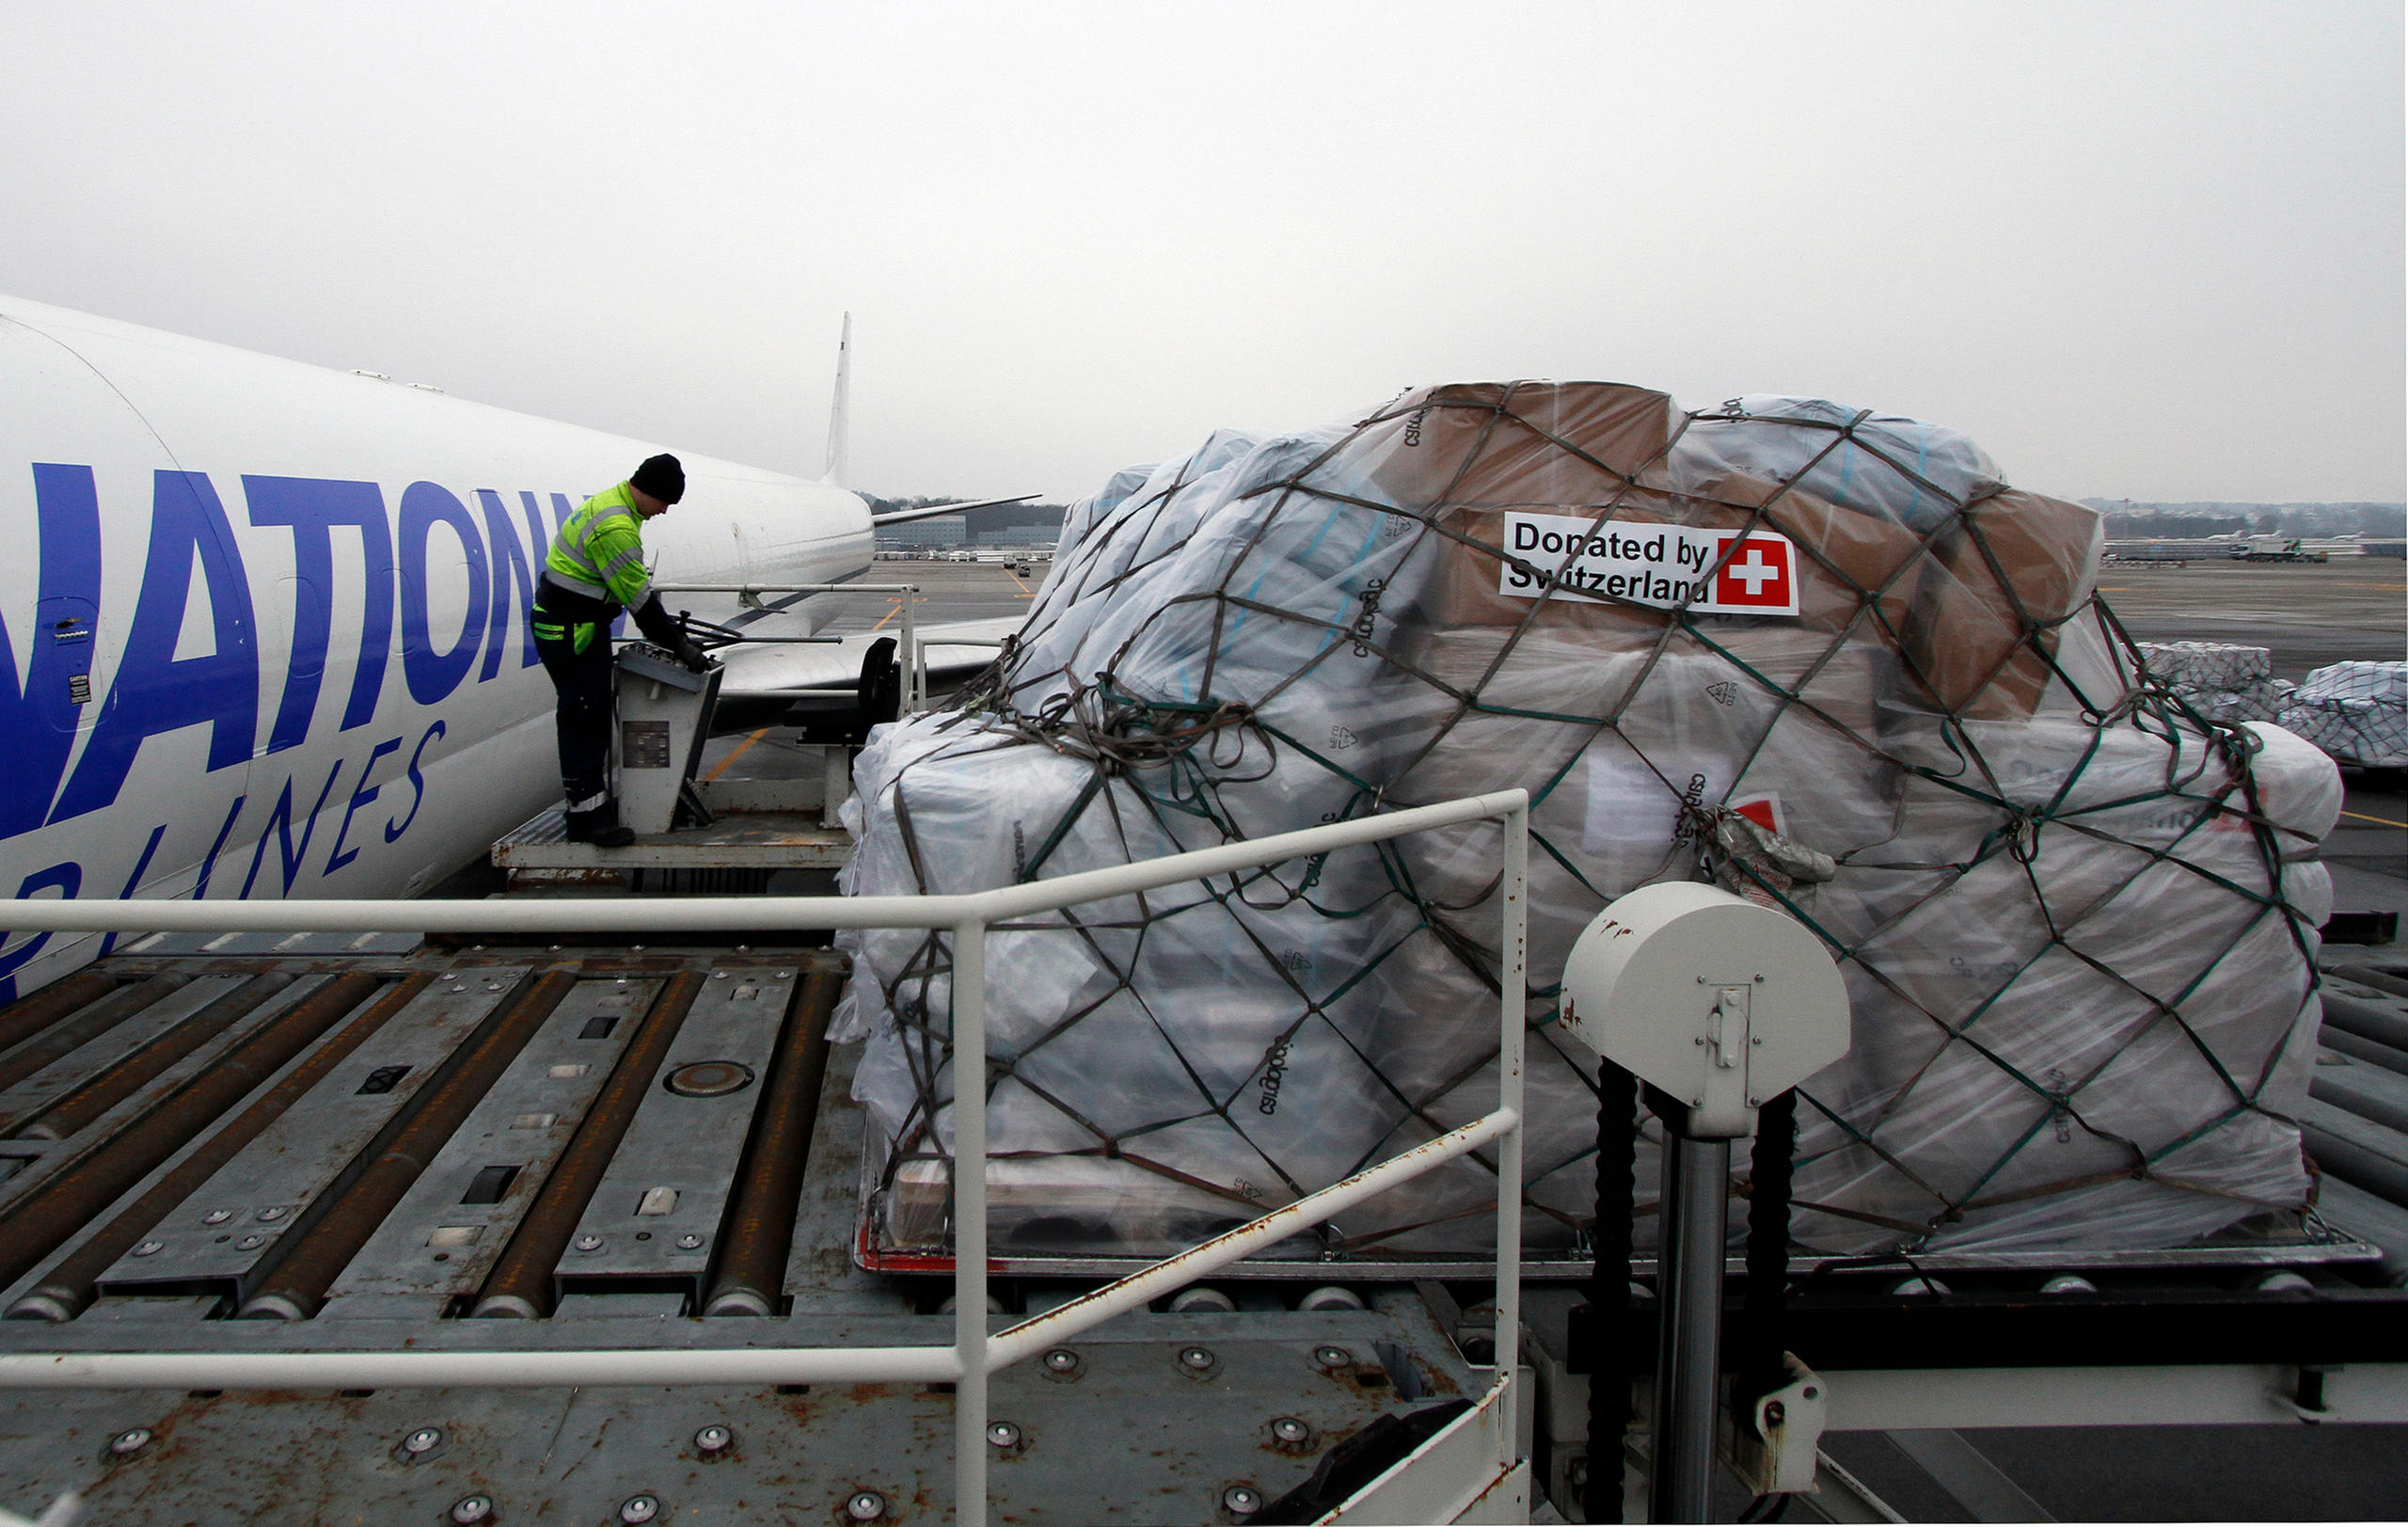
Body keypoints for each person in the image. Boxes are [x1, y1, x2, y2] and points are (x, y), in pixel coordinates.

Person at [531, 453, 709, 847]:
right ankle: (586, 822)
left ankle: (590, 809)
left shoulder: (611, 503)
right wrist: (681, 647)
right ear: (648, 492)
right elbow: (642, 605)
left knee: (590, 716)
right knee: (583, 719)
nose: (663, 511)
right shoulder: (615, 527)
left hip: (576, 625)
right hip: (570, 631)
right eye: (664, 502)